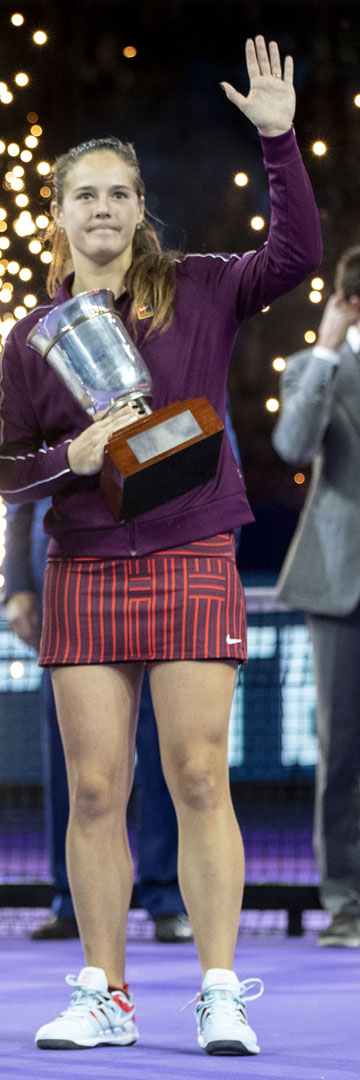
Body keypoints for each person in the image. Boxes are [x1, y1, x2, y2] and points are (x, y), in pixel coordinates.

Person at [0, 37, 321, 1056]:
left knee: (195, 776)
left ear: (140, 208)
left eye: (119, 193)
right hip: (86, 565)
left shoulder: (206, 287)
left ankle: (219, 989)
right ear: (60, 215)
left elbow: (300, 258)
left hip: (191, 553)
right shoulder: (32, 336)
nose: (102, 208)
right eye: (84, 194)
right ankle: (105, 992)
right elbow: (7, 471)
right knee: (95, 788)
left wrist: (279, 140)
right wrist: (70, 456)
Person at [4, 499, 192, 944]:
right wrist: (17, 586)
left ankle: (165, 897)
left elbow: (217, 479)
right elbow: (23, 483)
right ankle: (70, 899)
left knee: (167, 760)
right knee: (78, 769)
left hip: (162, 585)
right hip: (67, 589)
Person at [272, 245, 360, 949]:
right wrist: (326, 355)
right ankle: (348, 901)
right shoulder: (312, 371)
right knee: (345, 750)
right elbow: (294, 446)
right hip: (340, 584)